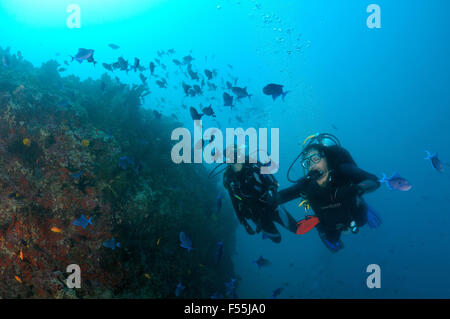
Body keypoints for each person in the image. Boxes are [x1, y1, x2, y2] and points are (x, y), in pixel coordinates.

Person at [277, 134, 381, 252]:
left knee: (362, 220)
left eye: (315, 159)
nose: (312, 165)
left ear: (326, 158)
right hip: (328, 224)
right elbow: (280, 197)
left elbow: (374, 180)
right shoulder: (306, 184)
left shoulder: (343, 170)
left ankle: (364, 204)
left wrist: (356, 189)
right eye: (307, 163)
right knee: (332, 240)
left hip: (353, 214)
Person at [222, 146, 297, 243]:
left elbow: (271, 179)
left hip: (271, 204)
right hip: (256, 214)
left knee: (295, 228)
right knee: (277, 239)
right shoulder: (229, 177)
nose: (235, 158)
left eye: (236, 154)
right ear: (227, 161)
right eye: (230, 156)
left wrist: (272, 191)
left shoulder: (252, 163)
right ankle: (265, 230)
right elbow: (234, 201)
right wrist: (243, 222)